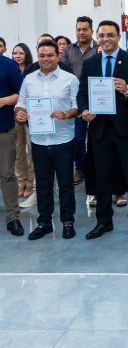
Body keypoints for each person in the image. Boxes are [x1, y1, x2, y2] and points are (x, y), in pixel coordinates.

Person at [77, 20, 128, 241]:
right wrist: (84, 110)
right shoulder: (90, 63)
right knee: (102, 178)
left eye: (110, 35)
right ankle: (103, 222)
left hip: (126, 130)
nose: (105, 39)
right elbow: (82, 93)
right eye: (102, 35)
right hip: (99, 130)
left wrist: (127, 89)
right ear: (97, 37)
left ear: (118, 37)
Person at [15, 40, 80, 240]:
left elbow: (77, 107)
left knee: (66, 183)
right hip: (39, 141)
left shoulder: (70, 79)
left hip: (63, 139)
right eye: (42, 55)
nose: (46, 59)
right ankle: (44, 222)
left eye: (50, 55)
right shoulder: (29, 80)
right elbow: (20, 103)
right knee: (43, 183)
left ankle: (68, 221)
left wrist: (66, 114)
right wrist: (20, 113)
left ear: (58, 56)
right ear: (37, 56)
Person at [61, 16, 98, 186]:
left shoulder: (99, 48)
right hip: (76, 101)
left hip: (97, 99)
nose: (81, 32)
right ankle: (80, 169)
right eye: (78, 29)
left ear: (91, 30)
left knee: (97, 137)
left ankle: (96, 168)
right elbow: (63, 73)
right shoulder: (68, 50)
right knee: (79, 137)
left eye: (85, 29)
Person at [0, 51, 25, 237]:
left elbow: (22, 93)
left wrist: (4, 101)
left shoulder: (7, 64)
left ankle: (12, 217)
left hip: (3, 128)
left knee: (7, 174)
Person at [12, 43, 35, 200]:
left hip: (31, 115)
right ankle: (21, 181)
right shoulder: (10, 69)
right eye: (15, 53)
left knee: (31, 151)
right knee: (18, 150)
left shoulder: (32, 70)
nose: (17, 56)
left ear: (27, 54)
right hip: (14, 115)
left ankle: (30, 182)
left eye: (21, 53)